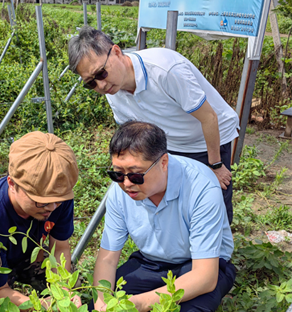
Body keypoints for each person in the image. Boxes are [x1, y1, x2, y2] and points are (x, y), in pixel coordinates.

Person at [93, 121, 235, 312]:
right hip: (150, 262)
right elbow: (107, 258)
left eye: (135, 175)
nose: (126, 184)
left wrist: (140, 303)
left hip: (199, 264)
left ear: (164, 162)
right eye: (117, 174)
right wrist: (102, 304)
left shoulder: (201, 187)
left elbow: (205, 276)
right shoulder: (119, 193)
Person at [68, 26, 236, 223]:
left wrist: (215, 165)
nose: (101, 86)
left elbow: (209, 117)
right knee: (173, 201)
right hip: (168, 143)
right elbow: (135, 137)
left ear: (116, 51)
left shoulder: (165, 69)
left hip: (205, 138)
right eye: (91, 83)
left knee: (211, 200)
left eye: (101, 73)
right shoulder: (113, 91)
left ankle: (218, 249)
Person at [0, 132, 80, 310]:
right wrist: (43, 306)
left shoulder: (58, 196)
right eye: (41, 201)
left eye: (58, 200)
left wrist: (63, 292)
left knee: (76, 286)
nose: (51, 208)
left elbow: (60, 248)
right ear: (12, 183)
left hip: (26, 254)